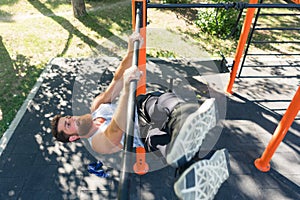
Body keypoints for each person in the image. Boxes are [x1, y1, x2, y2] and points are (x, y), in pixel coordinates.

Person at [50, 32, 229, 199]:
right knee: (162, 141)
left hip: (141, 108)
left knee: (166, 103)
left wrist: (131, 50)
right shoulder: (96, 144)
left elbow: (117, 79)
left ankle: (189, 126)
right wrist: (128, 90)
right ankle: (194, 173)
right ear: (73, 138)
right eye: (68, 125)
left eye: (68, 118)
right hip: (141, 134)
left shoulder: (96, 106)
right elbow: (115, 131)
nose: (72, 119)